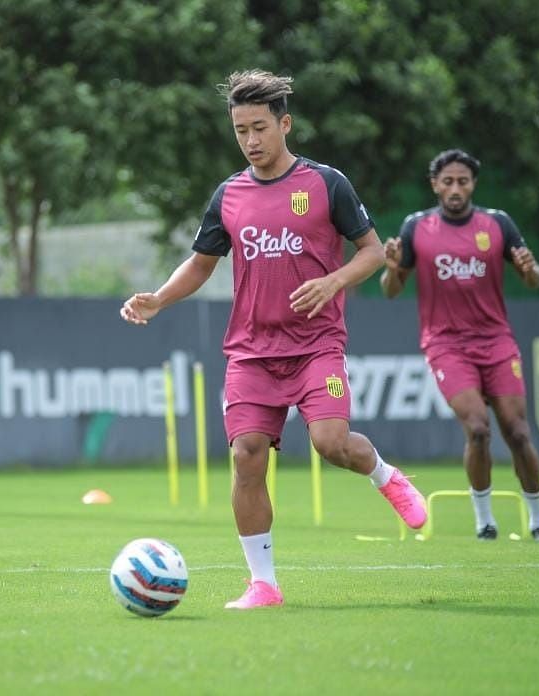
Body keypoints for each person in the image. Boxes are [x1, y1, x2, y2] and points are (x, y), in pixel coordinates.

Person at [120, 70, 427, 610]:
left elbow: (373, 252)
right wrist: (159, 298)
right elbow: (200, 264)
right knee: (246, 456)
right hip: (251, 351)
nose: (251, 140)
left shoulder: (327, 183)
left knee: (332, 444)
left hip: (315, 346)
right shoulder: (229, 195)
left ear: (285, 124)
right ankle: (263, 583)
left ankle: (385, 475)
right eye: (241, 130)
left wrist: (333, 281)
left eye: (260, 127)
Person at [379, 149, 539, 541]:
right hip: (446, 346)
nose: (455, 188)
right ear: (435, 185)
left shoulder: (497, 224)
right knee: (477, 428)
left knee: (519, 432)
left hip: (496, 342)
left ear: (473, 184)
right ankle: (484, 521)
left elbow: (535, 278)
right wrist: (391, 270)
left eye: (463, 181)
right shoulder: (416, 227)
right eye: (448, 181)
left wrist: (531, 270)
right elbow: (391, 291)